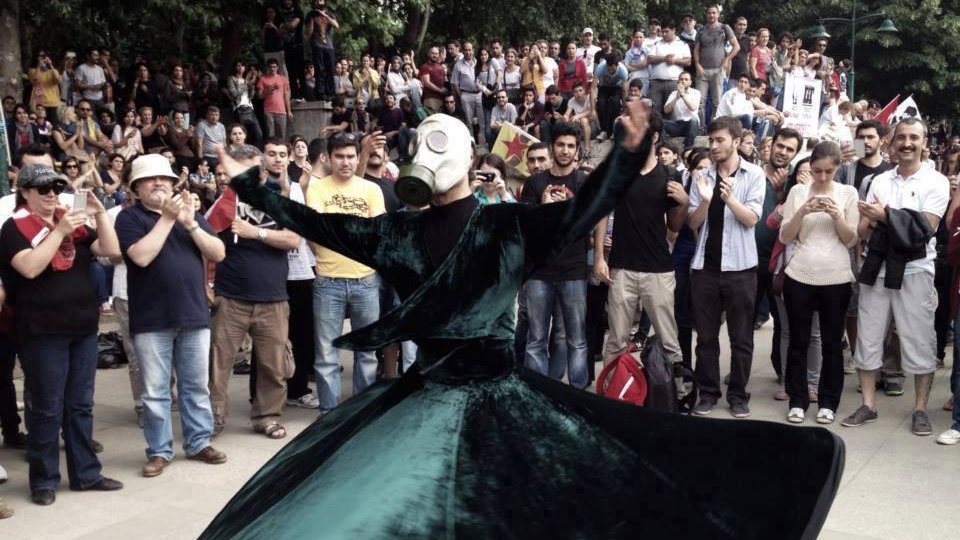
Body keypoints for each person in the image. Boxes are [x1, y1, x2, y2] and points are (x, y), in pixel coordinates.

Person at [200, 99, 843, 540]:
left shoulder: (462, 227)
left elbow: (315, 222)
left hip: (460, 399)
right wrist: (625, 153)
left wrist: (253, 185)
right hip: (454, 399)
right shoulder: (446, 228)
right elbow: (316, 221)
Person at [0, 164, 123, 505]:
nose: (52, 194)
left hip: (81, 326)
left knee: (80, 405)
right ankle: (43, 480)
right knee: (46, 407)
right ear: (25, 193)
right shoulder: (14, 227)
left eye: (56, 187)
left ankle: (86, 474)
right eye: (43, 189)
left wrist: (100, 215)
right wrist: (59, 230)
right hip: (42, 330)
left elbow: (112, 251)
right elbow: (29, 267)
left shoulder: (72, 221)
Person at [115, 154, 227, 478]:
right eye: (150, 179)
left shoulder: (190, 214)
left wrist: (190, 223)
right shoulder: (129, 218)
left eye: (164, 178)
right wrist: (167, 218)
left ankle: (198, 442)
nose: (159, 183)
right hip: (152, 319)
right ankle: (159, 450)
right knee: (155, 392)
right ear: (136, 187)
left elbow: (218, 252)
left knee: (196, 387)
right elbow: (141, 256)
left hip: (193, 313)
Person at [842, 118, 950, 436]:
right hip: (876, 267)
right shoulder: (880, 181)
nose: (907, 143)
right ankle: (868, 404)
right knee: (868, 337)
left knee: (919, 340)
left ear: (924, 142)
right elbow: (863, 230)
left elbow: (924, 229)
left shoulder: (936, 181)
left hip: (915, 270)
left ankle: (920, 409)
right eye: (901, 137)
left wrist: (885, 216)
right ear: (892, 142)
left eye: (913, 137)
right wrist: (877, 221)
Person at [594, 111, 688, 368]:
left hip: (658, 270)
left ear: (654, 137)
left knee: (669, 340)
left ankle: (675, 388)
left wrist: (684, 203)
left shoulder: (670, 175)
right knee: (616, 341)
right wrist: (600, 257)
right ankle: (613, 389)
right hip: (621, 268)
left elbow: (675, 227)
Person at [687, 115, 765, 418]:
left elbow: (752, 219)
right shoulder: (702, 175)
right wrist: (706, 201)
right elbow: (692, 223)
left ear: (736, 141)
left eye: (720, 140)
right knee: (706, 337)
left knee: (741, 338)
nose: (714, 145)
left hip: (741, 269)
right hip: (705, 268)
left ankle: (738, 395)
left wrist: (730, 198)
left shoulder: (753, 174)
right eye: (711, 140)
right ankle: (707, 393)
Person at [778, 142, 859, 424]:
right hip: (799, 274)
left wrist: (837, 215)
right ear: (810, 168)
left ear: (837, 169)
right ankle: (797, 400)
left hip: (836, 276)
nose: (822, 177)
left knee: (832, 343)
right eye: (816, 171)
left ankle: (828, 402)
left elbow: (851, 239)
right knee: (798, 341)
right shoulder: (797, 192)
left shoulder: (848, 193)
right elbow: (785, 236)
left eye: (828, 171)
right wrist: (803, 211)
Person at [305, 133, 385, 412]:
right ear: (328, 158)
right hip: (328, 282)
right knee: (327, 355)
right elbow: (317, 231)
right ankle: (329, 414)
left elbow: (377, 233)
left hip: (366, 280)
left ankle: (359, 414)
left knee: (367, 353)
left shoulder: (371, 190)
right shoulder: (317, 189)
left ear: (358, 157)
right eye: (339, 156)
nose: (345, 162)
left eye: (351, 156)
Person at [257, 58, 294, 140]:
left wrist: (289, 111)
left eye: (274, 67)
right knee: (270, 135)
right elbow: (259, 96)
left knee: (281, 135)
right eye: (270, 67)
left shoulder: (283, 79)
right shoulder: (263, 79)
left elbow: (286, 95)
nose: (272, 69)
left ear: (277, 67)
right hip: (268, 111)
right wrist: (267, 91)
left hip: (281, 110)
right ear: (268, 68)